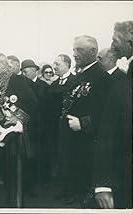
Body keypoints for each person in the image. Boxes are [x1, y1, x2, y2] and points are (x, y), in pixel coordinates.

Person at [60, 35, 111, 207]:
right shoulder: (81, 75)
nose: (74, 54)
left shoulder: (102, 78)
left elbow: (107, 113)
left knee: (87, 193)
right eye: (74, 49)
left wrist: (83, 123)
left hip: (89, 143)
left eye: (79, 50)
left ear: (93, 52)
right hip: (74, 142)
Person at [93, 20, 133, 209]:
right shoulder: (126, 80)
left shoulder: (123, 80)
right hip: (124, 173)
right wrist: (103, 182)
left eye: (115, 39)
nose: (112, 45)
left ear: (132, 39)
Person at [0, 53, 38, 207]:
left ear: (3, 65)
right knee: (6, 171)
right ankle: (9, 203)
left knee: (15, 172)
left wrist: (19, 118)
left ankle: (16, 206)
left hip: (15, 134)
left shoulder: (16, 79)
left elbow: (33, 102)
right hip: (2, 131)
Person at [48, 54, 76, 199]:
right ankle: (64, 189)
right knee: (59, 158)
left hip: (70, 129)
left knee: (69, 159)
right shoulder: (53, 85)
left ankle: (71, 192)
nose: (54, 67)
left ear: (66, 64)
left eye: (57, 64)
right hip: (55, 129)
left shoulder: (75, 82)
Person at [20, 59, 48, 191]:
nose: (24, 74)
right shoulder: (23, 85)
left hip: (40, 126)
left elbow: (43, 108)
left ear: (34, 70)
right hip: (27, 125)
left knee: (39, 154)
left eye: (26, 71)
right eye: (23, 72)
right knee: (28, 155)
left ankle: (40, 181)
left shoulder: (43, 86)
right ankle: (30, 182)